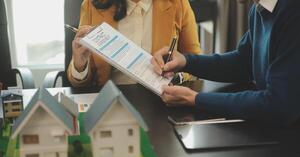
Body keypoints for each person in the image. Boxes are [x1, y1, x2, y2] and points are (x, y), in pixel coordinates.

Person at [151, 0, 300, 125]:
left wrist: (195, 99)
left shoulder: (293, 11)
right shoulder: (259, 8)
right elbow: (243, 63)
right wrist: (186, 61)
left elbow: (279, 104)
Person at [67, 0, 200, 87]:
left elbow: (194, 64)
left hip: (162, 101)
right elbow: (80, 84)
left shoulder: (178, 4)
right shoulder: (93, 5)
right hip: (109, 101)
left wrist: (176, 77)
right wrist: (80, 64)